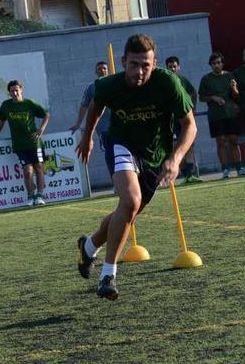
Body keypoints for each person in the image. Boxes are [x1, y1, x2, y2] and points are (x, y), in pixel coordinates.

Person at [76, 34, 196, 300]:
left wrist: (175, 159)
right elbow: (95, 106)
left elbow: (190, 125)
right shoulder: (109, 85)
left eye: (146, 65)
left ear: (154, 64)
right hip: (122, 145)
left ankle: (89, 246)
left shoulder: (169, 83)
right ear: (123, 62)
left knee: (128, 212)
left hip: (156, 154)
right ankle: (108, 275)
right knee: (130, 201)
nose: (139, 72)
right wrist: (87, 139)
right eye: (134, 64)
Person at [0, 80, 50, 206]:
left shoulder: (29, 103)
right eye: (12, 91)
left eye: (17, 90)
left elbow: (46, 115)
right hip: (19, 144)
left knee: (38, 167)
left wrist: (41, 129)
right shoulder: (6, 105)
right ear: (9, 93)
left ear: (21, 90)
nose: (15, 93)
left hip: (34, 142)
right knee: (27, 171)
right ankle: (30, 196)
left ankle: (40, 195)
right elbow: (1, 121)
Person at [198, 53, 245, 178]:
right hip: (216, 115)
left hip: (230, 113)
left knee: (233, 140)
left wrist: (234, 88)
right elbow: (201, 97)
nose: (216, 65)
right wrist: (213, 98)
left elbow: (237, 96)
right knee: (220, 142)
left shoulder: (230, 76)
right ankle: (225, 169)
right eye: (214, 63)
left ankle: (239, 167)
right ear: (210, 65)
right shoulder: (206, 79)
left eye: (218, 62)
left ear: (222, 63)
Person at [165, 56, 201, 184]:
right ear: (167, 68)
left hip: (183, 120)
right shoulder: (165, 81)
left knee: (189, 145)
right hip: (172, 121)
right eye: (170, 67)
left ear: (178, 67)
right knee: (176, 146)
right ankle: (185, 173)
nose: (173, 69)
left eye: (175, 66)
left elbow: (193, 93)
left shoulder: (183, 80)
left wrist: (192, 109)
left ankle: (190, 174)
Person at [69, 61, 111, 152]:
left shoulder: (115, 83)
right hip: (103, 128)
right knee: (110, 152)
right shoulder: (92, 87)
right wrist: (78, 123)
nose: (102, 70)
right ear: (96, 72)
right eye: (99, 69)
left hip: (118, 126)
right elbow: (84, 106)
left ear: (108, 70)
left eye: (104, 68)